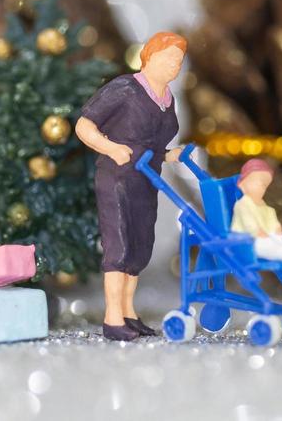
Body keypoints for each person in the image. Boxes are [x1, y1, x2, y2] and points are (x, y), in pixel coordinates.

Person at [75, 31, 187, 341]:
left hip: (146, 180)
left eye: (179, 62)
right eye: (168, 59)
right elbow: (84, 125)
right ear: (149, 57)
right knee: (120, 247)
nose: (174, 67)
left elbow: (152, 144)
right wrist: (110, 148)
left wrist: (170, 155)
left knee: (139, 247)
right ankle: (113, 318)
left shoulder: (167, 99)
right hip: (117, 178)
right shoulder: (125, 89)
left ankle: (128, 313)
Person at [230, 159, 282, 263]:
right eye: (256, 182)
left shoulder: (262, 205)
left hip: (264, 236)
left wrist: (276, 228)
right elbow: (249, 225)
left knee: (278, 239)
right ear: (242, 185)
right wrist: (260, 232)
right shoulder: (242, 205)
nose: (261, 187)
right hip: (247, 240)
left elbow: (269, 218)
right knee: (268, 245)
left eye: (264, 185)